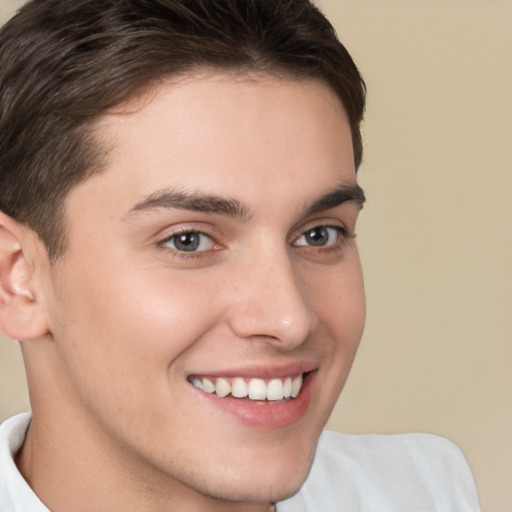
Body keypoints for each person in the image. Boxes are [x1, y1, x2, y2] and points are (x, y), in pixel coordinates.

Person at [0, 1, 480, 510]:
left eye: (318, 234)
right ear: (18, 278)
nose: (290, 319)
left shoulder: (422, 492)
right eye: (189, 240)